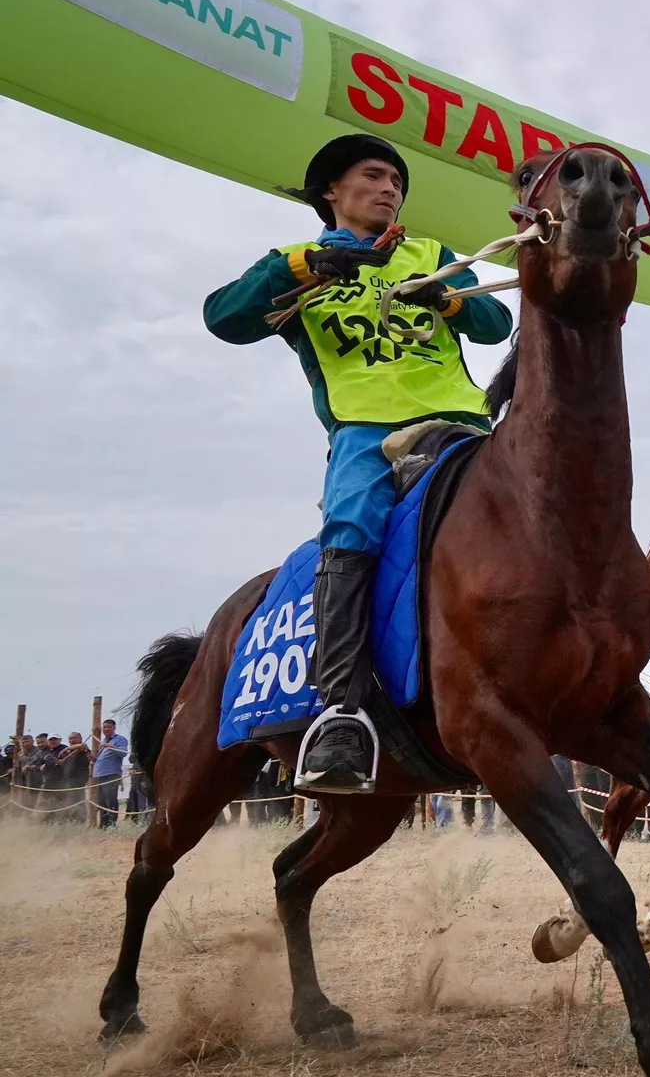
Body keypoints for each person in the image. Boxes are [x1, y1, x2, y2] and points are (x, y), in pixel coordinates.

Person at [205, 134, 513, 792]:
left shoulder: (431, 254)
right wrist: (310, 266)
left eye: (397, 182)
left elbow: (493, 324)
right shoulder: (294, 263)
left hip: (463, 425)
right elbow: (224, 318)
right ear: (331, 192)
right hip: (365, 437)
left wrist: (448, 299)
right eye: (374, 176)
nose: (390, 189)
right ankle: (341, 715)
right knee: (351, 529)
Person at [90, 718, 129, 828]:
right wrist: (94, 759)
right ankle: (103, 825)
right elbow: (101, 759)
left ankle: (112, 825)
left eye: (108, 727)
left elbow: (123, 753)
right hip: (99, 775)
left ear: (114, 728)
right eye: (104, 727)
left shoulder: (119, 739)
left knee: (110, 800)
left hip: (111, 774)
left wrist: (111, 747)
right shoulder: (104, 741)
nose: (106, 729)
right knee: (101, 802)